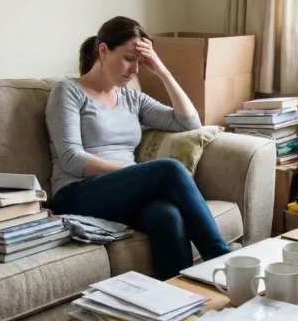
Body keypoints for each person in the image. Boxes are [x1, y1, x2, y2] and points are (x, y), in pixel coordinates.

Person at [46, 16, 232, 280]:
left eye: (140, 61)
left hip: (123, 192)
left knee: (167, 216)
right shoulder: (68, 91)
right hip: (76, 193)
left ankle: (178, 302)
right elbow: (71, 159)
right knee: (168, 170)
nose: (134, 69)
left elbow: (188, 122)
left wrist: (161, 70)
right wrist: (136, 174)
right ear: (103, 50)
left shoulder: (131, 98)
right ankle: (224, 262)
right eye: (128, 58)